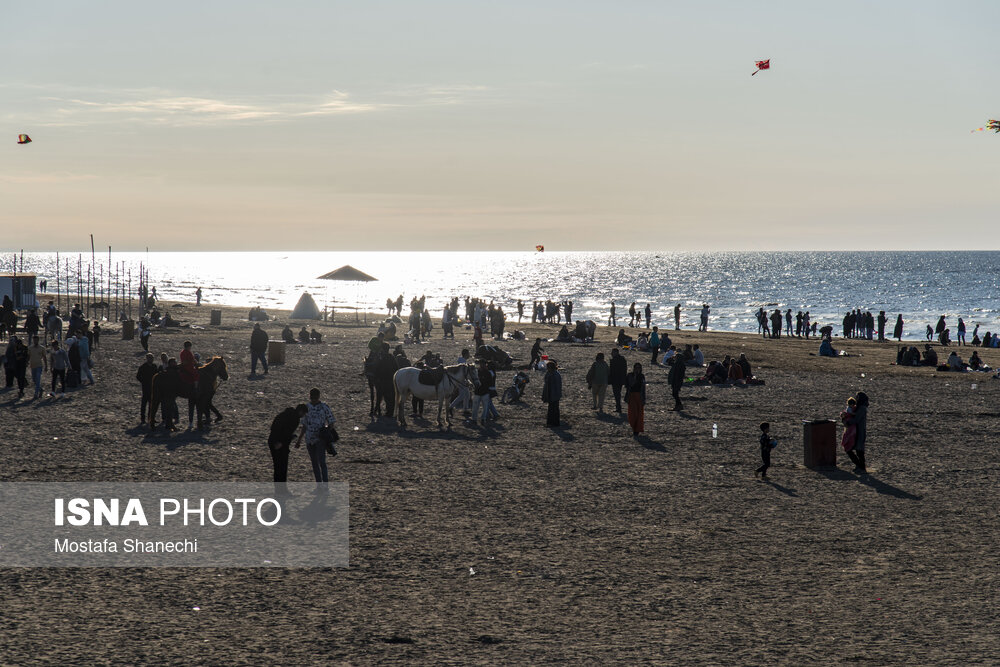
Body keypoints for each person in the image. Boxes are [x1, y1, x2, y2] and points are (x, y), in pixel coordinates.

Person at [296, 388, 336, 488]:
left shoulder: (324, 407)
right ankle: (319, 485)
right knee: (314, 463)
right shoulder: (307, 407)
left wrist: (326, 432)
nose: (313, 399)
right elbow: (304, 425)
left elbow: (331, 422)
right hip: (309, 439)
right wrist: (299, 440)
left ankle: (325, 485)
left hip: (320, 439)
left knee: (321, 462)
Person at [268, 404, 308, 496]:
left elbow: (274, 427)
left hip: (273, 440)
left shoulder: (284, 414)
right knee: (281, 467)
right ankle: (282, 491)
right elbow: (286, 433)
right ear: (301, 411)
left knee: (277, 467)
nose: (303, 416)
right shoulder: (295, 419)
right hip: (279, 443)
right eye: (304, 414)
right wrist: (280, 442)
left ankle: (279, 491)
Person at [845, 392, 869, 473]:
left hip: (860, 431)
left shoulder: (862, 408)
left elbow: (856, 419)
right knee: (853, 449)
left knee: (859, 450)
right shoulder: (859, 407)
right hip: (856, 431)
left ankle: (861, 467)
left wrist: (848, 422)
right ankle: (859, 466)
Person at [179, 341, 200, 427]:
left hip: (186, 366)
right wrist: (196, 363)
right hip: (188, 367)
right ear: (188, 346)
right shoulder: (187, 352)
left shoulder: (182, 352)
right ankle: (196, 386)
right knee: (196, 374)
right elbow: (192, 360)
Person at [625, 363, 646, 436]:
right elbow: (628, 385)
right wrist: (634, 377)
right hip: (632, 396)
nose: (637, 369)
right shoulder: (630, 375)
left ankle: (637, 429)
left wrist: (644, 399)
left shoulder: (642, 376)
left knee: (639, 414)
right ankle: (634, 427)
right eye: (636, 368)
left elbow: (643, 388)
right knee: (632, 414)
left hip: (639, 396)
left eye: (639, 368)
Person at [136, 353, 157, 424]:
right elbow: (138, 376)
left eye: (152, 358)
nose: (151, 359)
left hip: (152, 388)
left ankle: (150, 418)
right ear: (147, 358)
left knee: (151, 404)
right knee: (144, 404)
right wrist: (143, 381)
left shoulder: (154, 366)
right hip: (145, 388)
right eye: (149, 358)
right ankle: (143, 418)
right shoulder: (143, 367)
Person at [541, 361, 562, 427]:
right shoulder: (552, 373)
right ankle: (552, 423)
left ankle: (554, 423)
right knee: (552, 409)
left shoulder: (555, 375)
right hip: (551, 394)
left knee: (554, 409)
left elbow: (556, 386)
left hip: (554, 394)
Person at [472, 359, 492, 426]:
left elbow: (490, 383)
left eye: (483, 364)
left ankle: (483, 419)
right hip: (477, 392)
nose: (482, 365)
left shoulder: (488, 373)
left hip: (484, 392)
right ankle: (474, 419)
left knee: (485, 407)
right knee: (475, 407)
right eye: (481, 364)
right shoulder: (477, 372)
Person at [27, 335, 47, 400]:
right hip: (33, 366)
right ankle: (40, 389)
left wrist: (46, 366)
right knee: (34, 380)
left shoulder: (42, 348)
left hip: (39, 365)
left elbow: (44, 357)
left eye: (36, 340)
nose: (35, 341)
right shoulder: (30, 348)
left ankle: (36, 394)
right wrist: (26, 362)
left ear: (38, 340)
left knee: (38, 379)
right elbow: (28, 356)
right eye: (34, 340)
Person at [609, 348, 627, 413]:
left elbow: (612, 371)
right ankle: (618, 407)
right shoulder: (622, 359)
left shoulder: (614, 360)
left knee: (617, 394)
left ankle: (618, 407)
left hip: (615, 380)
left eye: (612, 352)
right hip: (620, 379)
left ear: (616, 353)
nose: (611, 354)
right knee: (618, 394)